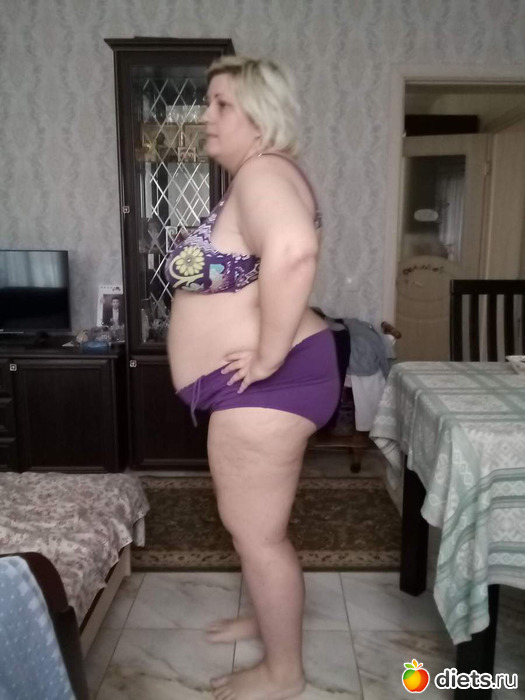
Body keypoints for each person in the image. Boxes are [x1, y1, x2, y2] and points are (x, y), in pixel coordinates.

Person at [165, 55, 341, 700]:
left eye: (222, 104)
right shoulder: (265, 174)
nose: (206, 116)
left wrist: (267, 357)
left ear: (260, 114)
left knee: (259, 536)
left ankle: (283, 672)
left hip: (269, 383)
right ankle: (269, 622)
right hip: (263, 383)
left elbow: (294, 251)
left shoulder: (263, 172)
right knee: (252, 529)